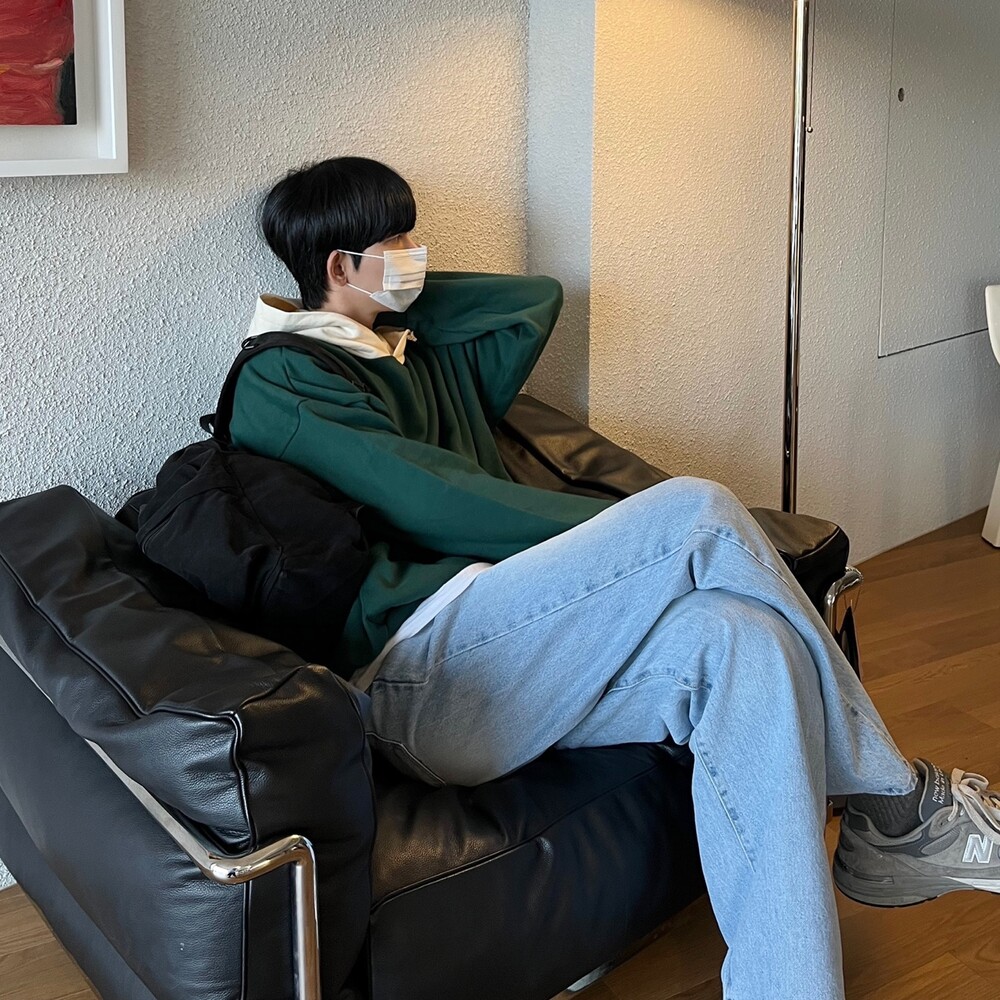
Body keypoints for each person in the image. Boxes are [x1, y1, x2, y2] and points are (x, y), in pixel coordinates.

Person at [229, 156, 1000, 1000]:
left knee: (748, 640)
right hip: (420, 676)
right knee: (697, 510)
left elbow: (531, 303)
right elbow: (437, 502)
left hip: (517, 645)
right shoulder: (283, 376)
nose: (417, 253)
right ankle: (896, 804)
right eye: (398, 239)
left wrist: (378, 301)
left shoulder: (413, 352)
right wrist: (622, 537)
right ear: (340, 263)